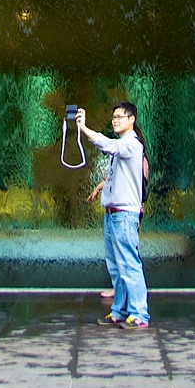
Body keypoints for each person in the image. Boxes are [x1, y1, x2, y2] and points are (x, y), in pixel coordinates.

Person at [80, 102, 149, 329]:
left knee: (129, 264)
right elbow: (114, 174)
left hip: (124, 215)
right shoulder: (123, 146)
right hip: (112, 215)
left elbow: (110, 146)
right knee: (116, 267)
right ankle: (119, 311)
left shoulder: (131, 144)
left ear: (132, 120)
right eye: (113, 117)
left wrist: (85, 129)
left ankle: (139, 314)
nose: (115, 120)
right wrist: (100, 188)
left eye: (120, 116)